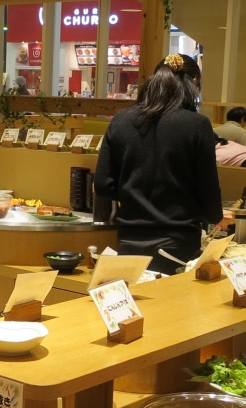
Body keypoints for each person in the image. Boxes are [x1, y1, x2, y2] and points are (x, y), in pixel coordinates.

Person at [94, 53, 225, 273]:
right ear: (194, 82)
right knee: (171, 296)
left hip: (129, 241)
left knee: (136, 294)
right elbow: (208, 188)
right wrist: (216, 216)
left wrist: (135, 194)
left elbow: (102, 185)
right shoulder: (197, 125)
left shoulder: (120, 120)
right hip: (178, 243)